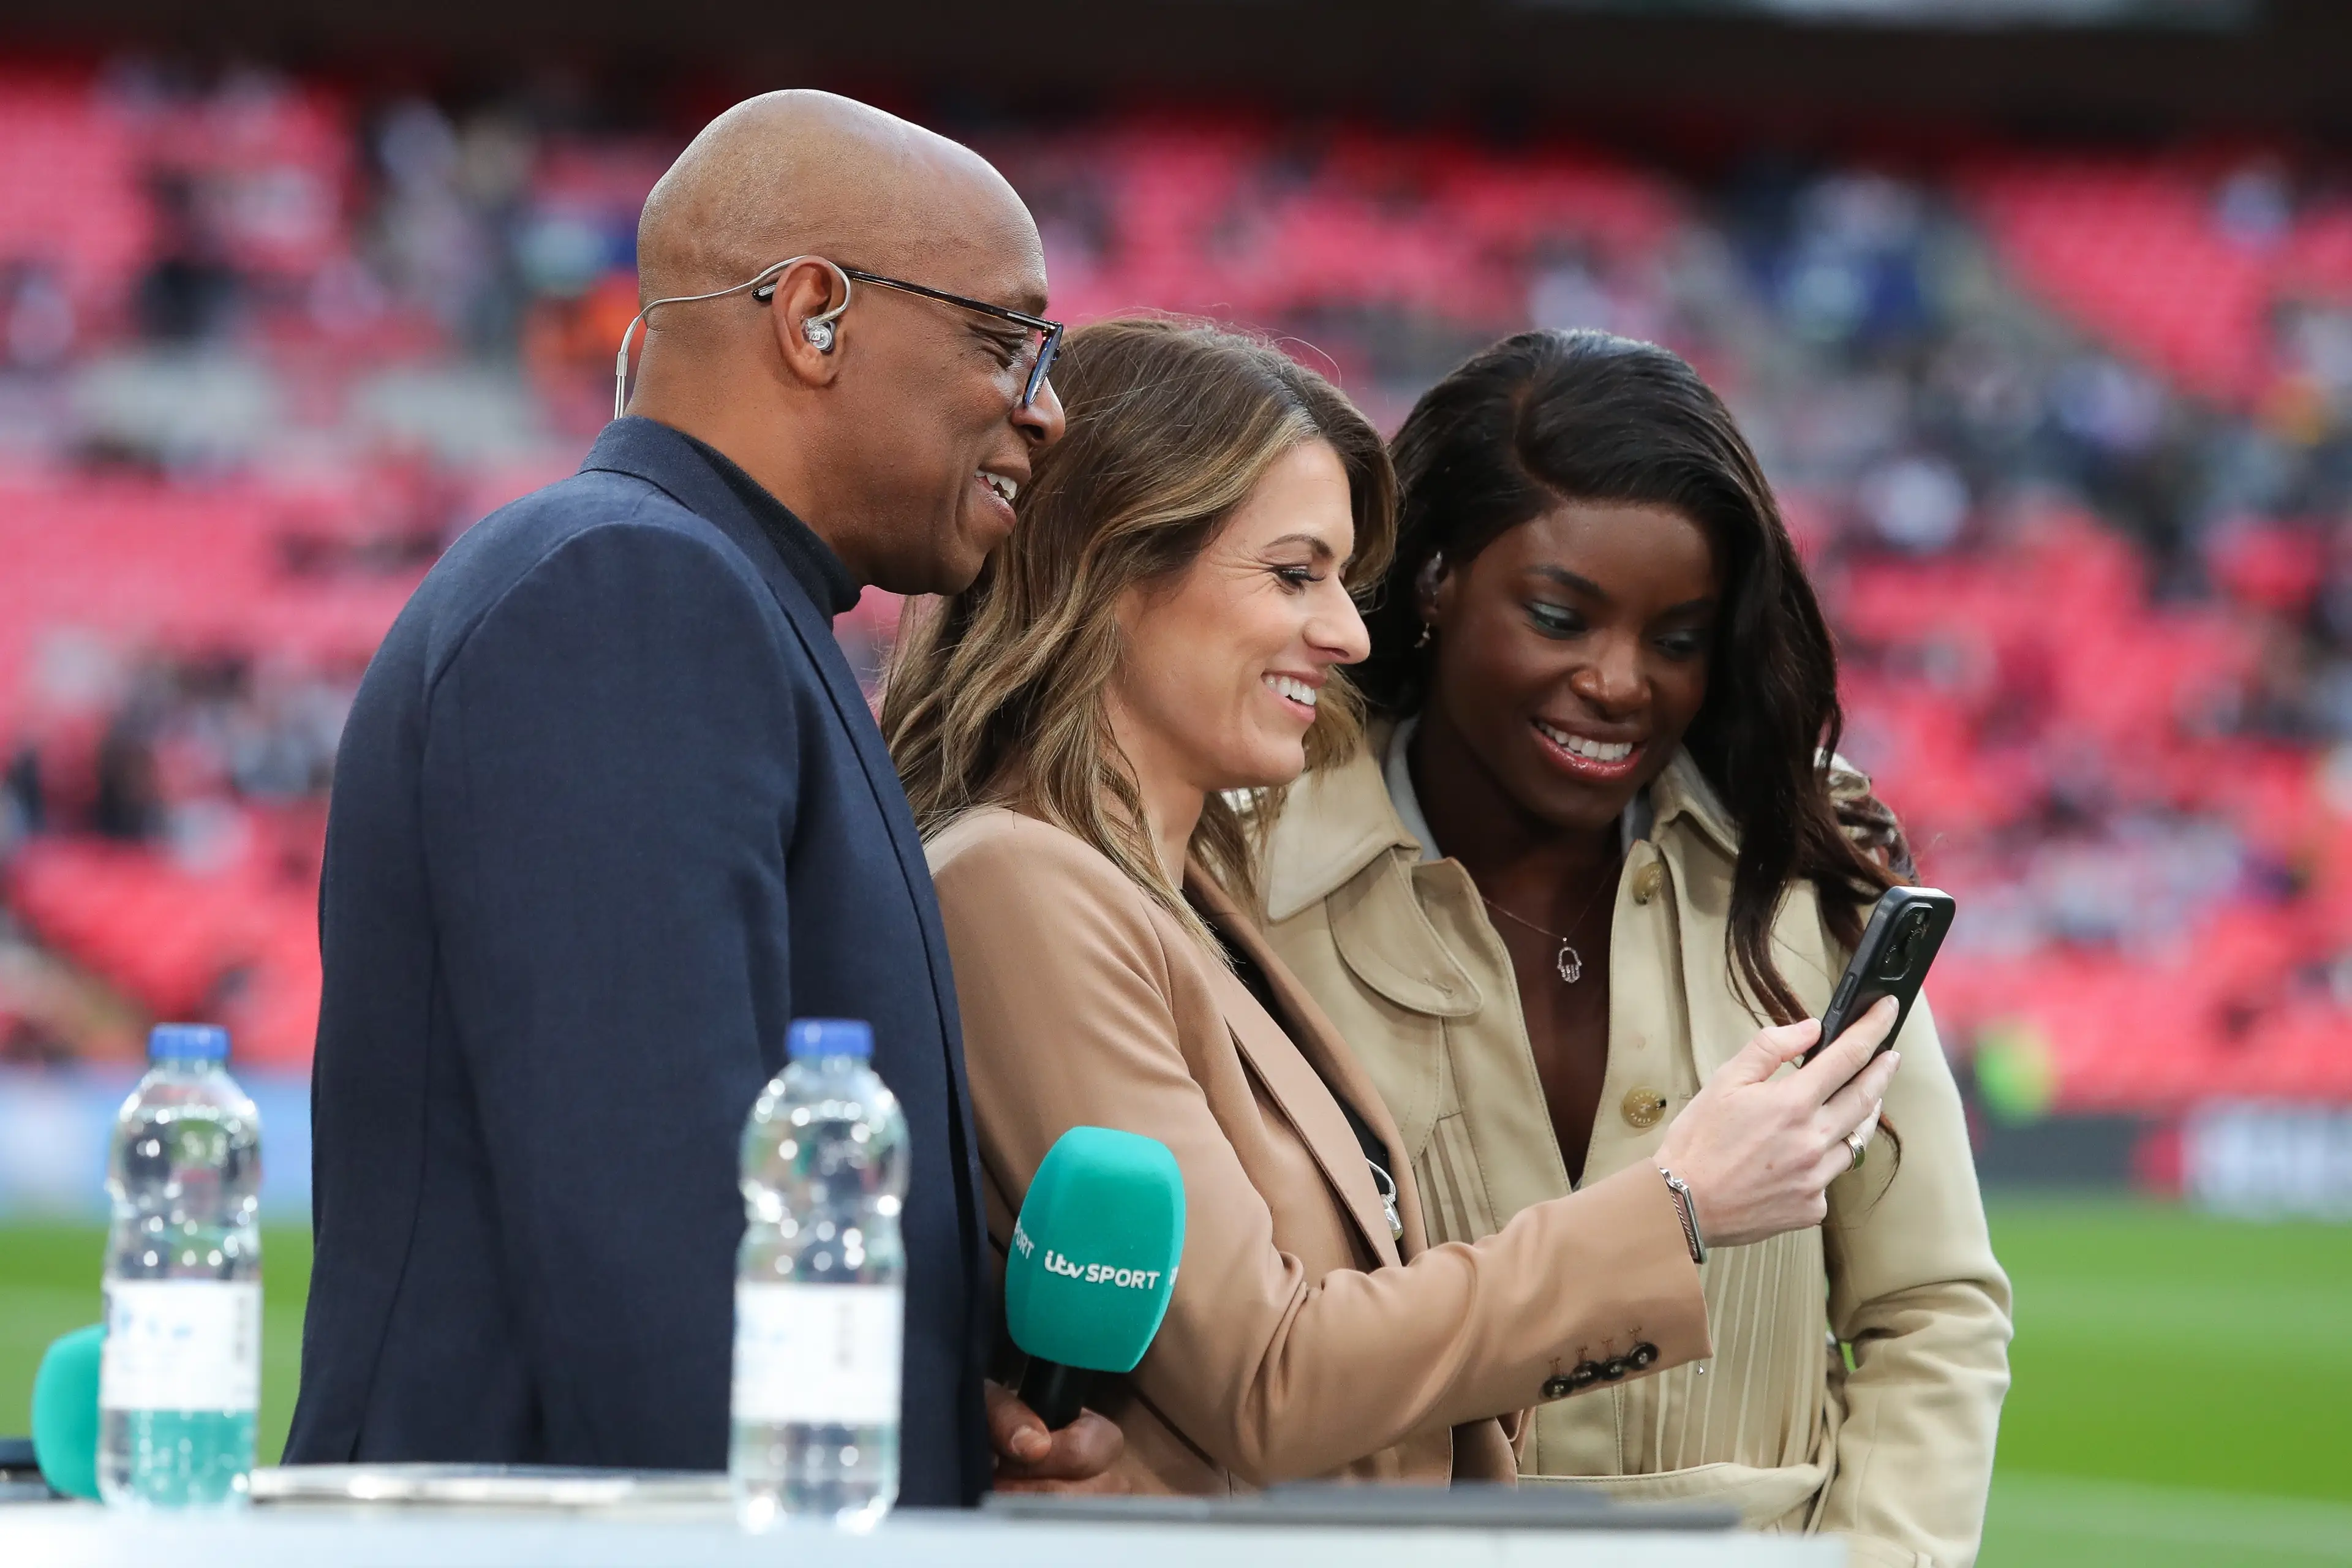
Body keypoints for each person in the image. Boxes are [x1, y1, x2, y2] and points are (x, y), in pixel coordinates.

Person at [880, 318, 1902, 1491]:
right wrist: (1680, 1207)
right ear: (1113, 568)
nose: (1348, 632)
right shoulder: (1023, 882)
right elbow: (1273, 1382)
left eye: (1346, 581)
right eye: (1295, 574)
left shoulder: (1174, 891)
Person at [285, 91, 1120, 1502]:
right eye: (1005, 342)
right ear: (814, 316)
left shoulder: (716, 593)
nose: (1046, 411)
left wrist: (924, 1401)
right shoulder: (629, 591)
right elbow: (655, 1239)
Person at [1259, 330, 2011, 1562]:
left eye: (1678, 638)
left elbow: (1932, 1302)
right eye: (1561, 615)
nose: (1621, 683)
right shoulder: (1245, 871)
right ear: (1437, 579)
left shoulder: (1808, 862)